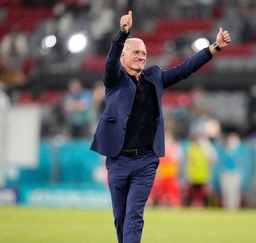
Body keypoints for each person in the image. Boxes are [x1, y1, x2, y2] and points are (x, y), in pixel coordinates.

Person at [90, 10, 231, 243]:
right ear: (123, 56)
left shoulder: (154, 78)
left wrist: (213, 48)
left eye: (144, 53)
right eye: (136, 52)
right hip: (118, 159)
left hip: (145, 160)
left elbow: (185, 69)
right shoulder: (113, 80)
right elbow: (110, 62)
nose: (141, 56)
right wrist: (122, 35)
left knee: (134, 214)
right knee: (120, 217)